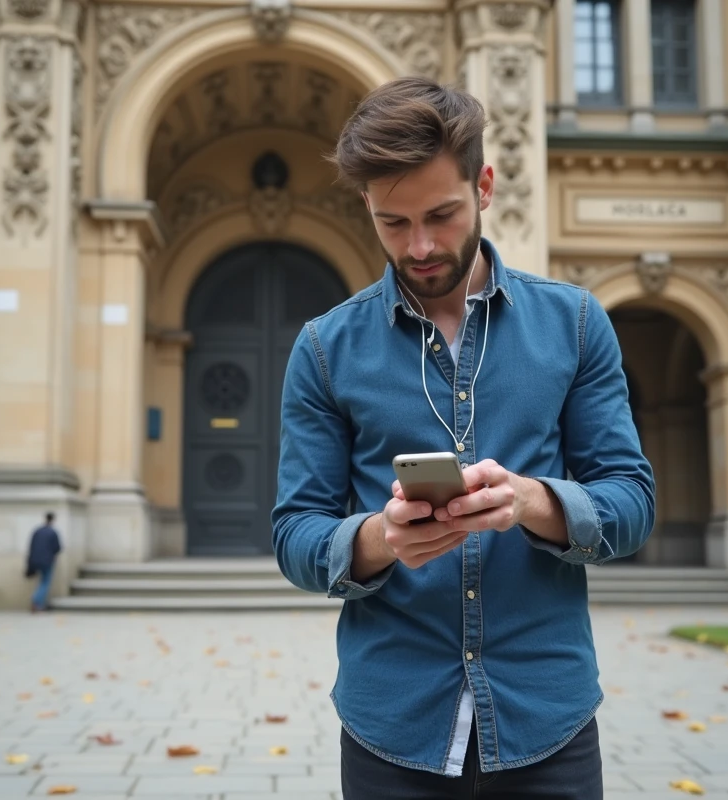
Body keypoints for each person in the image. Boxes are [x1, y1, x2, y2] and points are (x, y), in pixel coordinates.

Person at [271, 77, 655, 799]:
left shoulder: (574, 324)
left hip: (550, 717)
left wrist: (532, 501)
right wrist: (382, 539)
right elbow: (296, 532)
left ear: (484, 184)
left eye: (441, 215)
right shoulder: (324, 349)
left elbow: (632, 502)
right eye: (393, 223)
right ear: (366, 206)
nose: (419, 246)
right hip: (391, 725)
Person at [25, 512, 61, 613]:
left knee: (42, 581)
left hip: (35, 560)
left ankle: (39, 602)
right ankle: (37, 602)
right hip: (47, 561)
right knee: (45, 582)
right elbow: (57, 548)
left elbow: (31, 546)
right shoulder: (53, 532)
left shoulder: (37, 531)